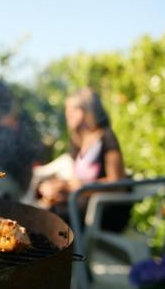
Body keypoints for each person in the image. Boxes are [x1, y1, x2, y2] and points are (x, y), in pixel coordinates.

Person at [35, 88, 127, 224]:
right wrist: (55, 186)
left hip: (103, 211)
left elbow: (118, 183)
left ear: (88, 110)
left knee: (49, 218)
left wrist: (79, 186)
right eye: (67, 109)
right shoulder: (77, 142)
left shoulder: (107, 137)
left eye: (74, 109)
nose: (68, 114)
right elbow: (71, 178)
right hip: (80, 203)